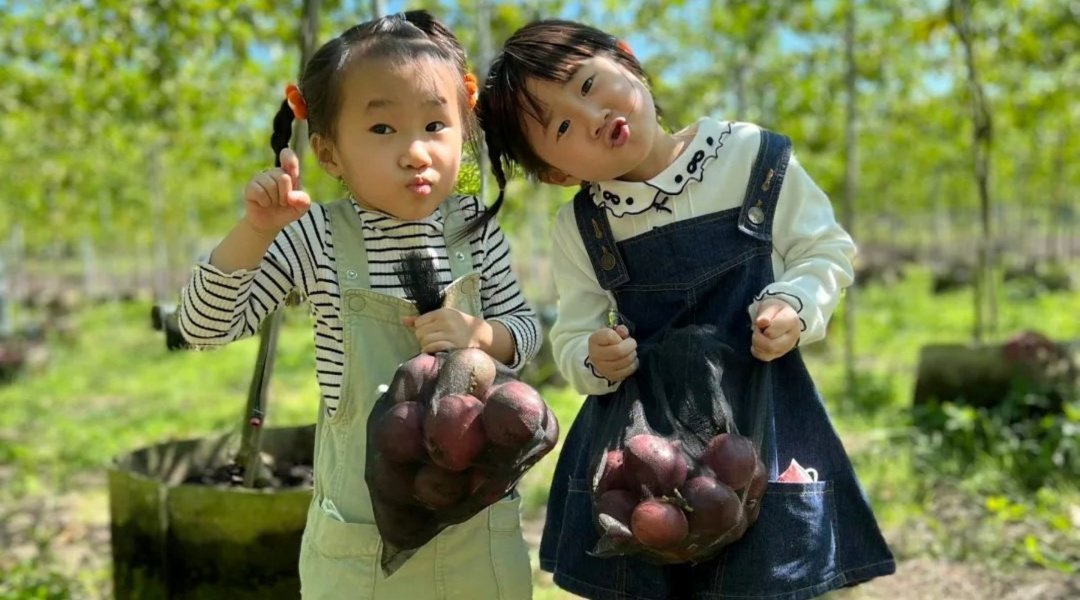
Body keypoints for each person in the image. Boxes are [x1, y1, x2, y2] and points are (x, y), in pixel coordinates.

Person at [476, 19, 895, 600]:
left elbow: (825, 250)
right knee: (647, 569)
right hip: (644, 451)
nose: (594, 115)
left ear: (627, 60)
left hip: (758, 420)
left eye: (590, 83)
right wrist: (595, 356)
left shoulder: (750, 156)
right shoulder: (581, 227)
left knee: (765, 578)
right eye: (564, 125)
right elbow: (572, 335)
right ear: (556, 172)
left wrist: (795, 305)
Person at [178, 11, 539, 599]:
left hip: (477, 529)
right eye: (382, 130)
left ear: (465, 128)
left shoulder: (477, 230)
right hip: (362, 548)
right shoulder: (316, 236)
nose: (416, 152)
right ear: (328, 153)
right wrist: (255, 231)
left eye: (434, 124)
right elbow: (202, 328)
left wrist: (484, 336)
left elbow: (524, 331)